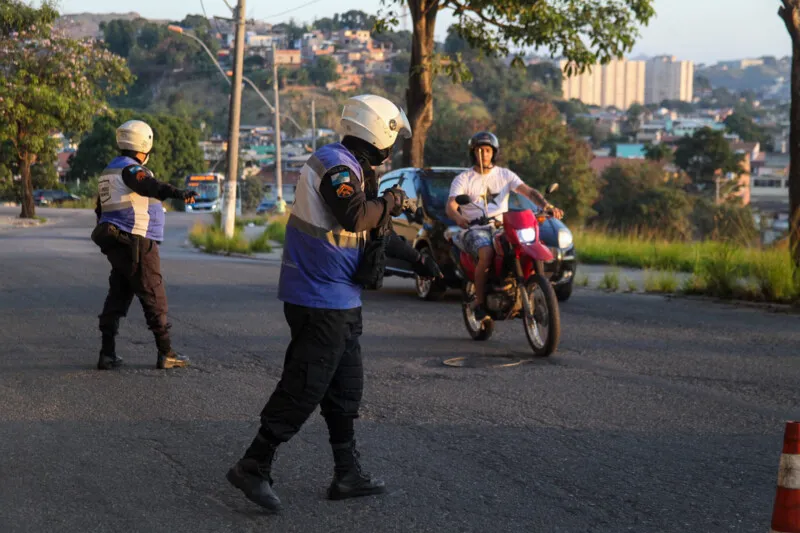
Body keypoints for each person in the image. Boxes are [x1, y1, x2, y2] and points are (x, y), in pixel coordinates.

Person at [226, 94, 441, 513]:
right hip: (318, 297)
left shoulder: (359, 174)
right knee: (304, 386)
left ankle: (347, 473)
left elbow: (377, 235)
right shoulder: (334, 164)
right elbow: (356, 217)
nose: (391, 149)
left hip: (341, 299)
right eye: (391, 138)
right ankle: (254, 464)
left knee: (345, 389)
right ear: (377, 133)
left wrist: (420, 261)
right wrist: (392, 201)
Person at [91, 120, 198, 371]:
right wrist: (178, 193)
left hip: (119, 243)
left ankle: (107, 353)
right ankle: (166, 352)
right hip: (136, 242)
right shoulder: (131, 170)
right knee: (153, 295)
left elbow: (99, 209)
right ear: (144, 144)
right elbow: (148, 185)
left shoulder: (109, 172)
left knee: (118, 296)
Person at [445, 131, 564, 320]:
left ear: (494, 152)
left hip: (502, 227)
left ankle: (530, 287)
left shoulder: (505, 175)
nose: (483, 154)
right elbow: (451, 206)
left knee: (528, 245)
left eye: (487, 150)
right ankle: (480, 302)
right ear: (473, 153)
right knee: (486, 252)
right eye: (479, 150)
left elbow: (529, 192)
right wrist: (458, 218)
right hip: (475, 229)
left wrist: (547, 206)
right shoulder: (464, 179)